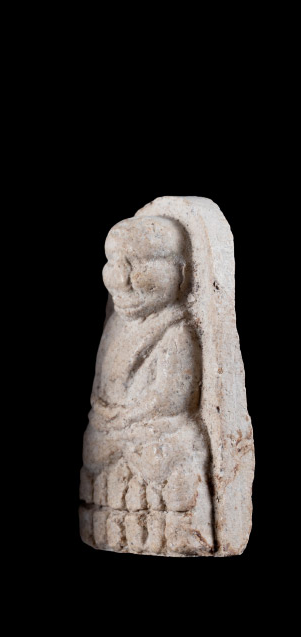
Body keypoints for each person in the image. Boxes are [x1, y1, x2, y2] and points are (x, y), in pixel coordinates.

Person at [80, 216, 213, 555]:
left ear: (181, 273)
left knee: (172, 443)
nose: (121, 279)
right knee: (98, 443)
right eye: (114, 263)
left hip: (153, 429)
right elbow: (103, 389)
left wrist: (124, 419)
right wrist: (108, 417)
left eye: (138, 264)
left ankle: (175, 531)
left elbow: (170, 399)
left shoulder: (177, 330)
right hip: (113, 428)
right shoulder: (115, 326)